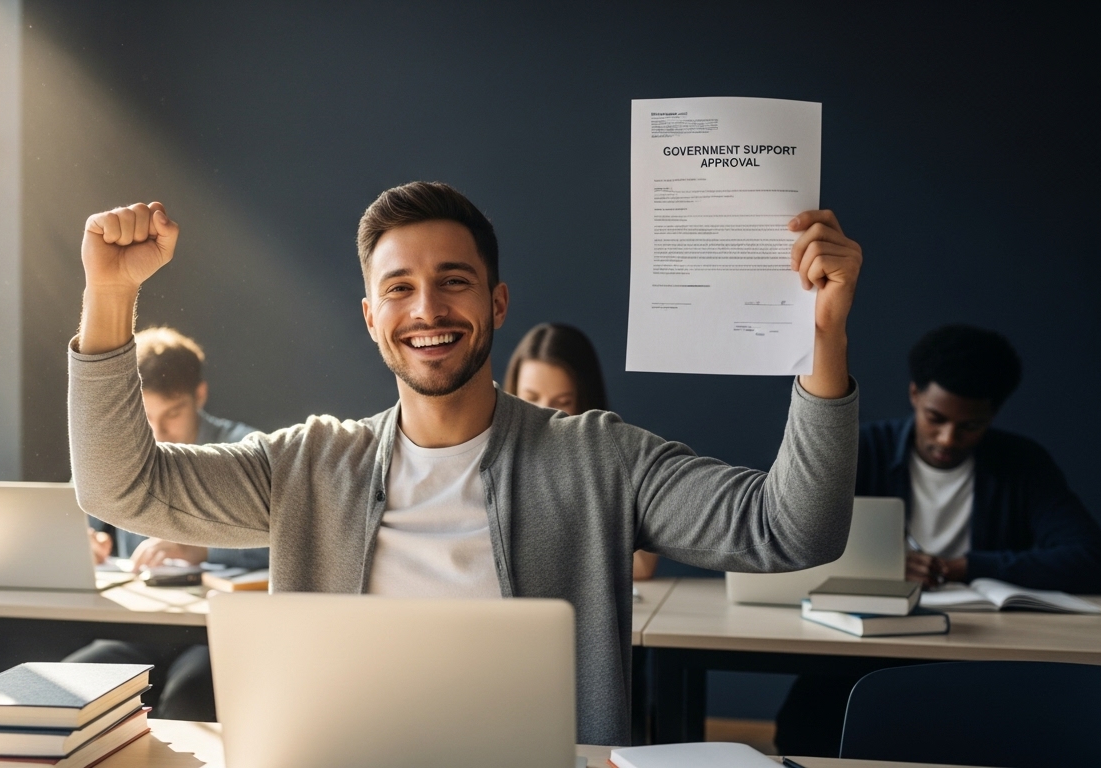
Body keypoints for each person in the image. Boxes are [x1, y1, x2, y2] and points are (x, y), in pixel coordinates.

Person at [68, 181, 866, 745]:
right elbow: (121, 485)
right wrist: (110, 299)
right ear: (370, 316)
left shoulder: (598, 457)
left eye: (454, 283)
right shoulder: (308, 462)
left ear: (496, 303)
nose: (427, 310)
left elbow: (792, 530)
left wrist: (824, 334)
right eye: (400, 289)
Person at [774, 324, 1101, 756]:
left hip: (981, 653)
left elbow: (1092, 559)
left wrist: (964, 566)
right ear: (915, 394)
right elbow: (790, 539)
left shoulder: (1022, 464)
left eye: (970, 425)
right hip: (861, 649)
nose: (948, 438)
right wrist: (880, 570)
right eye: (936, 418)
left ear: (993, 414)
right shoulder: (860, 450)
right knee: (812, 730)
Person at [70, 325, 266, 722]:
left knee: (188, 699)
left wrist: (203, 546)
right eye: (145, 416)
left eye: (173, 414)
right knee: (68, 689)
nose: (157, 433)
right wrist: (80, 544)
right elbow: (79, 519)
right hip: (139, 627)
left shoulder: (249, 454)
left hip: (218, 635)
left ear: (199, 396)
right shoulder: (121, 459)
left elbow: (296, 536)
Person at [503, 322, 658, 581]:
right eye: (530, 398)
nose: (545, 414)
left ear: (584, 401)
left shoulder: (609, 457)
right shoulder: (492, 456)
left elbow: (640, 566)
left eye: (563, 403)